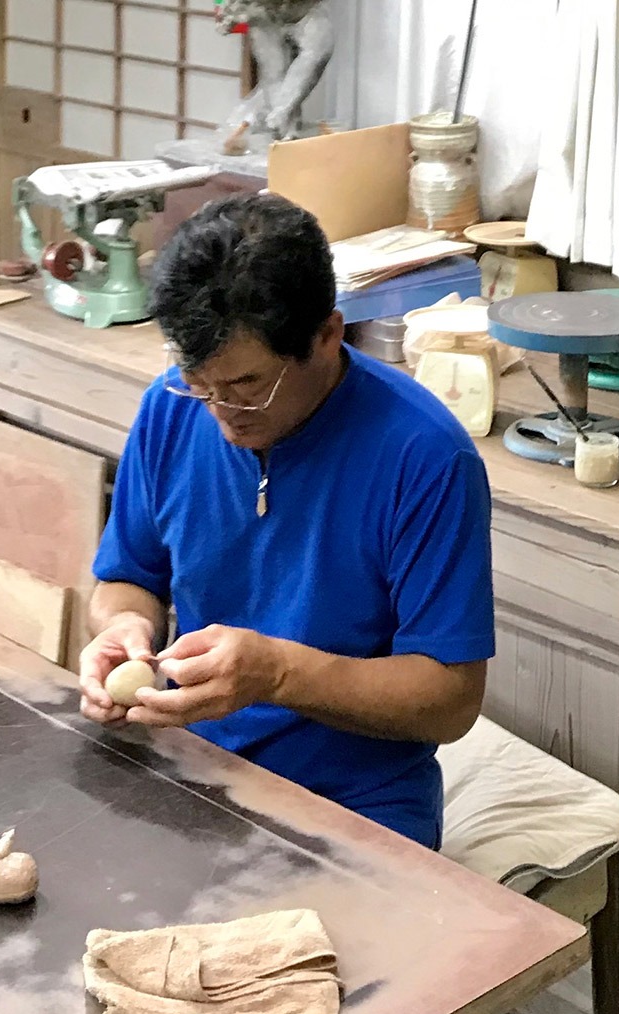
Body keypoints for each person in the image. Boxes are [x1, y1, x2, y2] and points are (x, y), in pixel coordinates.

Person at [77, 193, 494, 850]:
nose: (220, 410)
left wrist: (276, 674)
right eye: (199, 381)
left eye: (247, 385)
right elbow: (126, 579)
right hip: (192, 763)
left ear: (328, 335)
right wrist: (125, 629)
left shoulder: (425, 456)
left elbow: (449, 699)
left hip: (354, 803)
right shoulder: (170, 406)